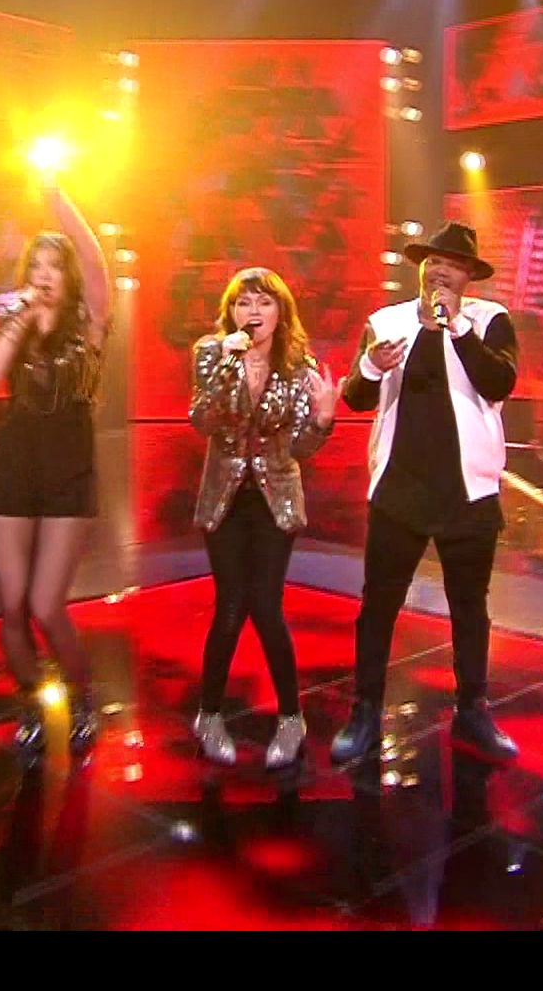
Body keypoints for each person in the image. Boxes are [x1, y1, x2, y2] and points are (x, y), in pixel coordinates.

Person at [328, 222, 522, 766]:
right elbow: (357, 397)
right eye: (433, 262)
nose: (439, 271)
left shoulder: (489, 320)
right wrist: (371, 366)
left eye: (453, 265)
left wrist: (457, 327)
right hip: (400, 490)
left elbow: (500, 383)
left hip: (468, 492)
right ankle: (365, 712)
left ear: (468, 277)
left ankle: (473, 712)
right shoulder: (386, 322)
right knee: (378, 607)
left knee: (470, 609)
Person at [0, 185, 111, 760]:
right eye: (37, 265)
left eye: (55, 265)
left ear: (69, 275)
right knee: (10, 605)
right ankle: (29, 701)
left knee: (47, 605)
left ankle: (83, 699)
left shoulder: (90, 323)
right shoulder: (16, 320)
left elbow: (95, 259)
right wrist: (19, 316)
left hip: (69, 471)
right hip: (17, 467)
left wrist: (55, 196)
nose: (45, 274)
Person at [188, 267, 337, 768]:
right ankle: (209, 716)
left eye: (264, 302)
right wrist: (226, 365)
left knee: (267, 607)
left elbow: (299, 448)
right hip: (225, 497)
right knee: (230, 605)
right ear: (231, 312)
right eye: (243, 302)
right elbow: (202, 419)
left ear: (281, 312)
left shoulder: (298, 366)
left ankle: (292, 719)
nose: (253, 312)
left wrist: (322, 419)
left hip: (275, 499)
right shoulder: (211, 353)